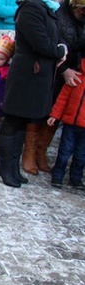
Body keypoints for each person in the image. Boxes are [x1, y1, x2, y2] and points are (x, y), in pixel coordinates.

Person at [0, 0, 73, 188]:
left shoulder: (46, 8)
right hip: (26, 74)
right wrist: (59, 50)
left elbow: (54, 38)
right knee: (13, 121)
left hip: (36, 74)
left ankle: (11, 167)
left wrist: (60, 47)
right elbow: (41, 42)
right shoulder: (32, 7)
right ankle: (6, 167)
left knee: (22, 122)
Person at [48, 57, 85, 189]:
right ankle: (57, 176)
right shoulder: (76, 77)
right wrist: (54, 115)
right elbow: (63, 98)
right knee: (64, 152)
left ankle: (76, 178)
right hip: (70, 124)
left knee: (81, 156)